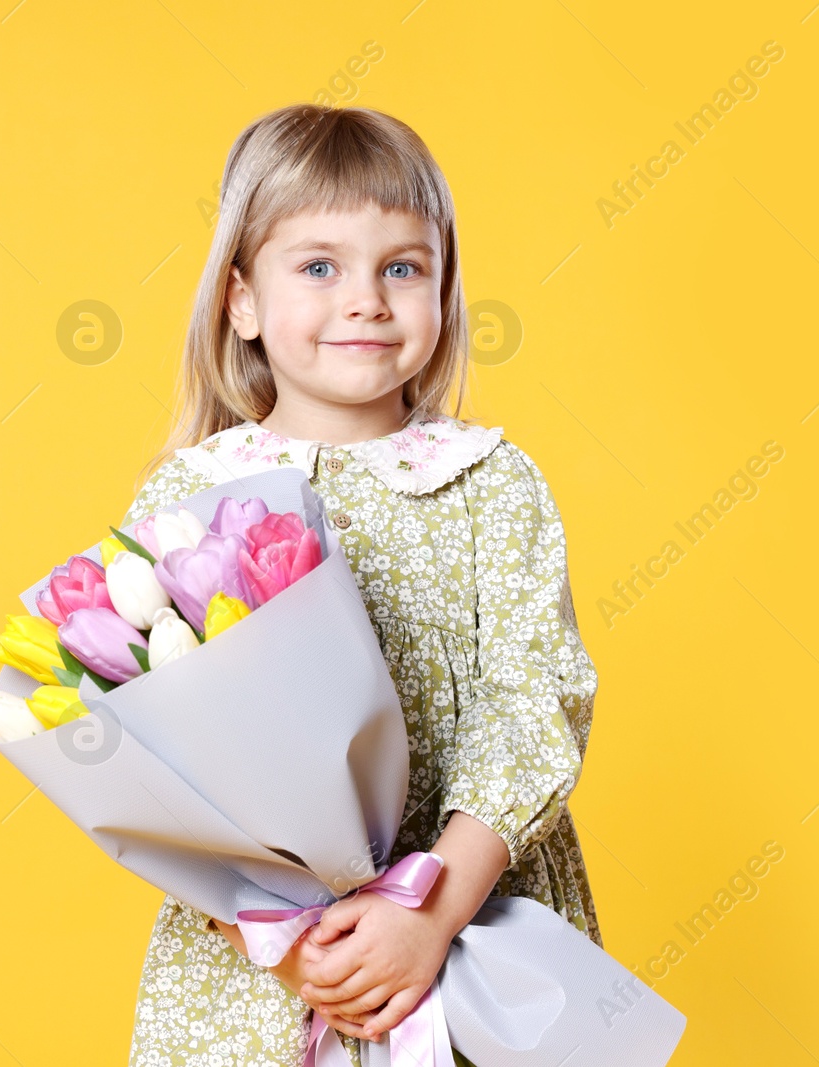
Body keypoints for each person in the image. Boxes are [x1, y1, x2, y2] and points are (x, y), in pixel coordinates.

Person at [120, 103, 601, 1067]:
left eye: (402, 267)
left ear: (444, 288)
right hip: (257, 969)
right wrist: (290, 943)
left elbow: (533, 701)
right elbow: (162, 754)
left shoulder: (488, 481)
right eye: (317, 266)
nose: (367, 299)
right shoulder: (190, 493)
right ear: (241, 299)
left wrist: (426, 916)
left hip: (472, 927)